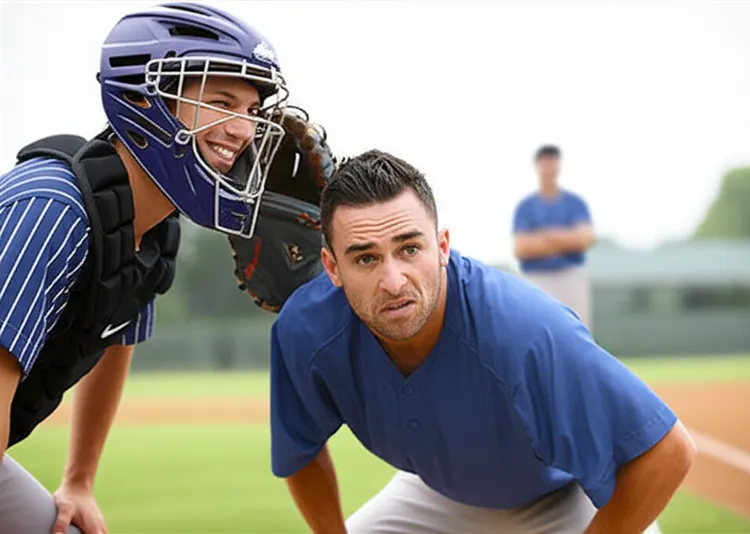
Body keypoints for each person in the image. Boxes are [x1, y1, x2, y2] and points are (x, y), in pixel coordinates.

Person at [269, 150, 697, 534]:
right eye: (365, 258)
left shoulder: (526, 332)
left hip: (565, 497)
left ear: (442, 246)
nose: (393, 281)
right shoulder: (307, 330)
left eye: (410, 249)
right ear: (331, 266)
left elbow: (668, 452)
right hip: (437, 499)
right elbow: (300, 450)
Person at [0, 3, 296, 533]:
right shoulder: (53, 209)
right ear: (142, 96)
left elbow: (113, 337)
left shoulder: (151, 230)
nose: (244, 130)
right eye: (222, 102)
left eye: (252, 110)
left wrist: (80, 479)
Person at [512, 144, 596, 331]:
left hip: (569, 276)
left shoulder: (575, 203)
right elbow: (522, 248)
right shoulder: (526, 207)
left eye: (553, 163)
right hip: (537, 277)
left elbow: (584, 239)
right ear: (537, 165)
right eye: (545, 163)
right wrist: (567, 239)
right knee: (535, 330)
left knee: (577, 332)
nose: (549, 168)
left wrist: (544, 235)